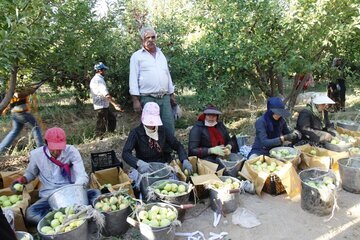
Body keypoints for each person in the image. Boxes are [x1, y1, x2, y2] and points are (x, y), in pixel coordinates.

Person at [10, 127, 100, 226]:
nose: (57, 151)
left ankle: (69, 216)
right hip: (50, 195)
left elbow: (81, 175)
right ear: (46, 142)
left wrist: (76, 191)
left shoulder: (72, 152)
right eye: (54, 147)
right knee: (31, 214)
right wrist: (23, 180)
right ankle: (58, 222)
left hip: (72, 192)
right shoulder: (37, 155)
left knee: (96, 193)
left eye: (60, 147)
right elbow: (31, 173)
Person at [129, 27, 176, 136]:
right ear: (142, 40)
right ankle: (152, 152)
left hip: (164, 97)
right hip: (148, 98)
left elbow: (167, 74)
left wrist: (171, 93)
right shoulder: (136, 56)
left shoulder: (161, 54)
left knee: (168, 126)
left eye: (153, 37)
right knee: (151, 128)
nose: (150, 39)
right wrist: (135, 100)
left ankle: (168, 152)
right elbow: (133, 78)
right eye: (147, 37)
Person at [122, 102, 192, 175]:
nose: (151, 125)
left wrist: (184, 159)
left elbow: (177, 145)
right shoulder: (136, 133)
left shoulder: (162, 130)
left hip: (161, 165)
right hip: (144, 167)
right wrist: (138, 163)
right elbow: (125, 153)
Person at [188, 104, 240, 170]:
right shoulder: (197, 129)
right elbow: (192, 150)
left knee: (237, 165)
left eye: (214, 115)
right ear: (205, 116)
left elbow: (229, 140)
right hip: (205, 158)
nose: (211, 117)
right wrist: (210, 150)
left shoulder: (220, 126)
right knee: (221, 168)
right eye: (209, 115)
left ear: (217, 116)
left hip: (222, 156)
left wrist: (229, 146)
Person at [0, 85, 44, 154]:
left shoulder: (11, 82)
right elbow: (17, 94)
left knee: (14, 131)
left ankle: (1, 149)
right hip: (22, 112)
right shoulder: (16, 83)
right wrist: (30, 90)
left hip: (15, 112)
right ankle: (41, 150)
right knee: (36, 128)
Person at [90, 62, 123, 137]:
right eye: (104, 70)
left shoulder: (97, 79)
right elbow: (106, 95)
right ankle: (99, 139)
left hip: (103, 105)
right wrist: (115, 105)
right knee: (101, 124)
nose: (105, 71)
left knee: (111, 119)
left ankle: (110, 134)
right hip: (101, 106)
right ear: (100, 70)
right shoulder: (98, 80)